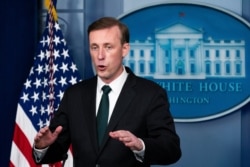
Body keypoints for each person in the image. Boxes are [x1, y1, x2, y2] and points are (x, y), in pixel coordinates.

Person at [33, 17, 181, 167]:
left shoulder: (150, 94)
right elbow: (57, 150)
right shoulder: (74, 95)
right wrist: (43, 146)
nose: (100, 56)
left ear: (125, 49)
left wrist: (140, 145)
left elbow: (171, 150)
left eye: (108, 47)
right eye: (94, 47)